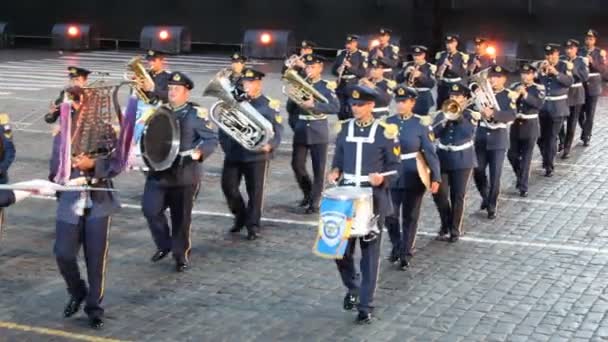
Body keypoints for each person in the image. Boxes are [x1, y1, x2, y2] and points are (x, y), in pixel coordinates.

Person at [48, 85, 122, 329]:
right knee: (63, 253)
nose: (71, 108)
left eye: (75, 103)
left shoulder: (103, 129)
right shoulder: (62, 133)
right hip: (70, 200)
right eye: (68, 104)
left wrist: (93, 164)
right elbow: (55, 166)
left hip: (97, 200)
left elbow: (117, 163)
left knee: (95, 259)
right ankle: (77, 290)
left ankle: (94, 307)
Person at [327, 84, 400, 324]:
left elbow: (396, 168)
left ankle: (366, 305)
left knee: (369, 255)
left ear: (371, 105)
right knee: (339, 250)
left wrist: (383, 178)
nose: (355, 108)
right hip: (346, 197)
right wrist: (335, 170)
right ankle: (353, 286)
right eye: (353, 104)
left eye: (360, 104)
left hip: (372, 199)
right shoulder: (345, 128)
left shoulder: (385, 131)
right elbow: (339, 156)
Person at [142, 72, 218, 272]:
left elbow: (211, 139)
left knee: (181, 218)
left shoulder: (195, 114)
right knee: (150, 210)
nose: (172, 92)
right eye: (170, 88)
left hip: (184, 173)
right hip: (159, 172)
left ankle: (180, 254)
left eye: (177, 89)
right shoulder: (159, 111)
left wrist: (200, 152)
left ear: (186, 92)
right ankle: (164, 244)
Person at [220, 68, 283, 240]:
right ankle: (240, 216)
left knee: (255, 192)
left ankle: (253, 225)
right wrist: (226, 147)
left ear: (258, 83)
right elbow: (224, 125)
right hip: (234, 153)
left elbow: (278, 130)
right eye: (245, 82)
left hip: (257, 156)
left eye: (250, 82)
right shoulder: (235, 102)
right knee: (229, 188)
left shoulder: (269, 104)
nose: (246, 85)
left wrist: (270, 146)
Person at [385, 85, 440, 270]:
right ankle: (397, 245)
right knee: (390, 215)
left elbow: (430, 152)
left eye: (404, 101)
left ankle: (406, 252)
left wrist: (436, 177)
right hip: (391, 174)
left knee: (410, 215)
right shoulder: (387, 122)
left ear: (412, 103)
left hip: (414, 173)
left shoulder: (421, 123)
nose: (400, 105)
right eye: (398, 101)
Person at [290, 54, 339, 213]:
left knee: (319, 169)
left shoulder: (326, 86)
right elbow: (291, 108)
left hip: (318, 130)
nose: (310, 70)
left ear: (320, 68)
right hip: (302, 128)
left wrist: (315, 105)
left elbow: (335, 107)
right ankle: (308, 192)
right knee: (297, 165)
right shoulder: (301, 84)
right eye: (308, 67)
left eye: (313, 67)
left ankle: (315, 202)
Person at [432, 83, 478, 242]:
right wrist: (444, 121)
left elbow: (469, 132)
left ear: (465, 99)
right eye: (452, 96)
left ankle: (454, 228)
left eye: (458, 97)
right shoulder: (441, 114)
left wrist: (458, 117)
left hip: (462, 159)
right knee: (440, 194)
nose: (454, 99)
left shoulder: (470, 115)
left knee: (458, 195)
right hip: (443, 157)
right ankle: (445, 223)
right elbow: (434, 134)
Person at [472, 65, 516, 219]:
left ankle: (492, 206)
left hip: (498, 139)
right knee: (477, 171)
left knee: (495, 175)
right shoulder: (481, 93)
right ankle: (485, 196)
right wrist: (477, 108)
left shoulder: (508, 95)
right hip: (482, 136)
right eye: (491, 77)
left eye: (497, 77)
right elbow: (471, 110)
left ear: (504, 79)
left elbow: (511, 116)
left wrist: (494, 113)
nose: (492, 80)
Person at [507, 64, 546, 197]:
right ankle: (521, 176)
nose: (525, 76)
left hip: (530, 124)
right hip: (516, 124)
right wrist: (515, 95)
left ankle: (523, 186)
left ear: (533, 75)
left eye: (528, 73)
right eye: (523, 73)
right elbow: (508, 103)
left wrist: (525, 94)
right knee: (511, 154)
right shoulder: (514, 86)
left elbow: (539, 104)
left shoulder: (538, 88)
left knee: (526, 157)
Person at [537, 43, 574, 177]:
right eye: (547, 54)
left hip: (558, 108)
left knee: (551, 138)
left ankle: (549, 165)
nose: (549, 57)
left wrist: (556, 73)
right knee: (540, 137)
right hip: (543, 107)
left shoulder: (564, 66)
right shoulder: (542, 66)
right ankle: (546, 157)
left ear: (557, 54)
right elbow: (535, 83)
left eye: (552, 54)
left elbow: (569, 82)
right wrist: (538, 72)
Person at [559, 39, 589, 158]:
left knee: (572, 122)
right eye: (567, 48)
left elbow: (584, 77)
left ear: (576, 49)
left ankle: (567, 148)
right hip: (563, 93)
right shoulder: (561, 59)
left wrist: (573, 69)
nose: (568, 50)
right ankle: (561, 141)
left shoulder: (581, 61)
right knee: (559, 121)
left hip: (576, 93)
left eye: (571, 48)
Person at [578, 29, 606, 146]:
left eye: (591, 39)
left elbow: (603, 70)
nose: (588, 41)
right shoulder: (580, 51)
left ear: (595, 40)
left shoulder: (600, 53)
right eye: (587, 38)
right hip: (581, 87)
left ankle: (587, 136)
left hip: (593, 87)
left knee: (590, 113)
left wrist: (592, 62)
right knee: (578, 113)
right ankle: (585, 130)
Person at [332, 34, 368, 120]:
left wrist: (350, 67)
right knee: (340, 108)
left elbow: (362, 73)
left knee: (352, 108)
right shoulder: (341, 53)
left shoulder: (361, 55)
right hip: (341, 85)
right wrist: (338, 70)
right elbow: (333, 70)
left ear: (355, 43)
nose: (348, 46)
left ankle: (351, 125)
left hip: (353, 84)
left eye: (351, 44)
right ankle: (342, 125)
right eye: (347, 44)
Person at [396, 45, 436, 115]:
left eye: (418, 55)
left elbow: (431, 84)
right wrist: (404, 73)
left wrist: (421, 75)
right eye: (414, 55)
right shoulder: (408, 65)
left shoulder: (430, 67)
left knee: (421, 120)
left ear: (423, 55)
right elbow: (398, 80)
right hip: (409, 95)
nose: (416, 57)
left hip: (423, 97)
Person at [285, 40, 316, 131]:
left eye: (306, 49)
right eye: (303, 49)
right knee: (291, 110)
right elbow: (284, 72)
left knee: (303, 112)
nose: (304, 51)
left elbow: (314, 75)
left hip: (307, 91)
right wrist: (292, 65)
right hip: (294, 89)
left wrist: (304, 66)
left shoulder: (314, 61)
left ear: (311, 50)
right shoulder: (296, 59)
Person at [435, 35, 469, 108]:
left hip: (456, 84)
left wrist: (451, 66)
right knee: (441, 105)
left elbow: (463, 73)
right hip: (443, 85)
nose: (449, 46)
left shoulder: (462, 56)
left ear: (456, 43)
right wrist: (442, 66)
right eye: (447, 43)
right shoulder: (441, 55)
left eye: (451, 43)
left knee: (455, 106)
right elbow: (436, 73)